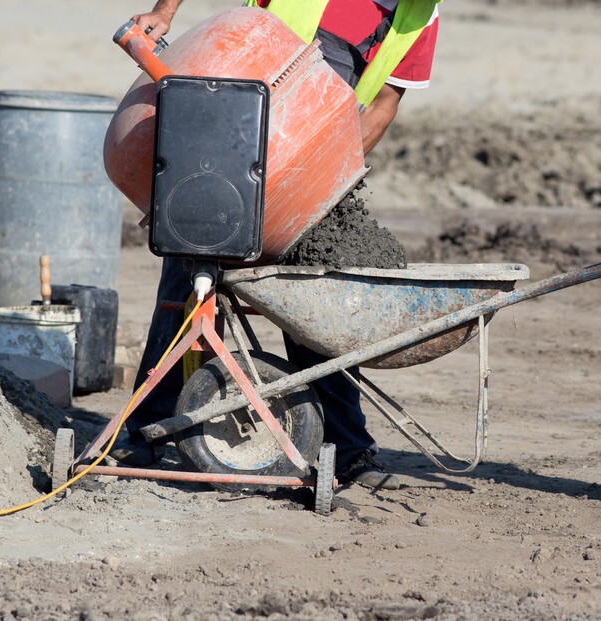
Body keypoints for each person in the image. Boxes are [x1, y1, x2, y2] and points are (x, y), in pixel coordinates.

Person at [111, 0, 441, 491]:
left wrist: (327, 171)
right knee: (187, 289)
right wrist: (165, 11)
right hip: (225, 144)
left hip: (305, 161)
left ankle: (346, 450)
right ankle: (141, 433)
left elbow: (384, 105)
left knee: (312, 299)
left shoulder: (422, 15)